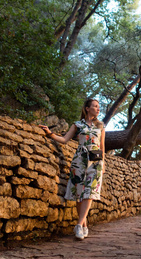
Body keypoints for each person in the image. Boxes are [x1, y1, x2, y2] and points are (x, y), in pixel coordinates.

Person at [39, 99, 105, 240]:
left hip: (95, 162)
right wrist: (50, 133)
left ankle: (79, 225)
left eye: (99, 107)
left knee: (90, 192)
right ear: (87, 108)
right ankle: (84, 225)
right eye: (95, 106)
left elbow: (102, 147)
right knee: (79, 192)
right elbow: (64, 140)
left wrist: (103, 164)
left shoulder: (100, 126)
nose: (98, 109)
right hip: (79, 160)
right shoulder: (78, 124)